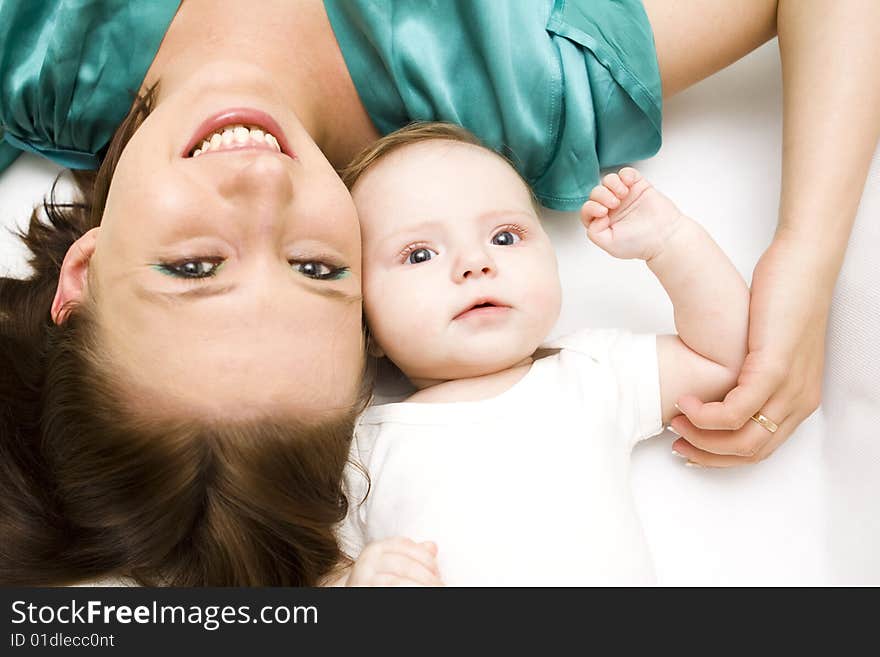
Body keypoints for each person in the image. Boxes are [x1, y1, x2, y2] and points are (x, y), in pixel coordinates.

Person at [0, 0, 877, 585]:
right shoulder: (519, 95)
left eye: (193, 266)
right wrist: (805, 253)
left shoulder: (26, 47)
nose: (262, 191)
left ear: (84, 269)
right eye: (317, 268)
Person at [332, 122, 749, 585]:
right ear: (364, 325)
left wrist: (671, 242)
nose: (476, 263)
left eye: (505, 237)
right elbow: (304, 568)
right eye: (419, 254)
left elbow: (721, 360)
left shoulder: (593, 374)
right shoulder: (360, 453)